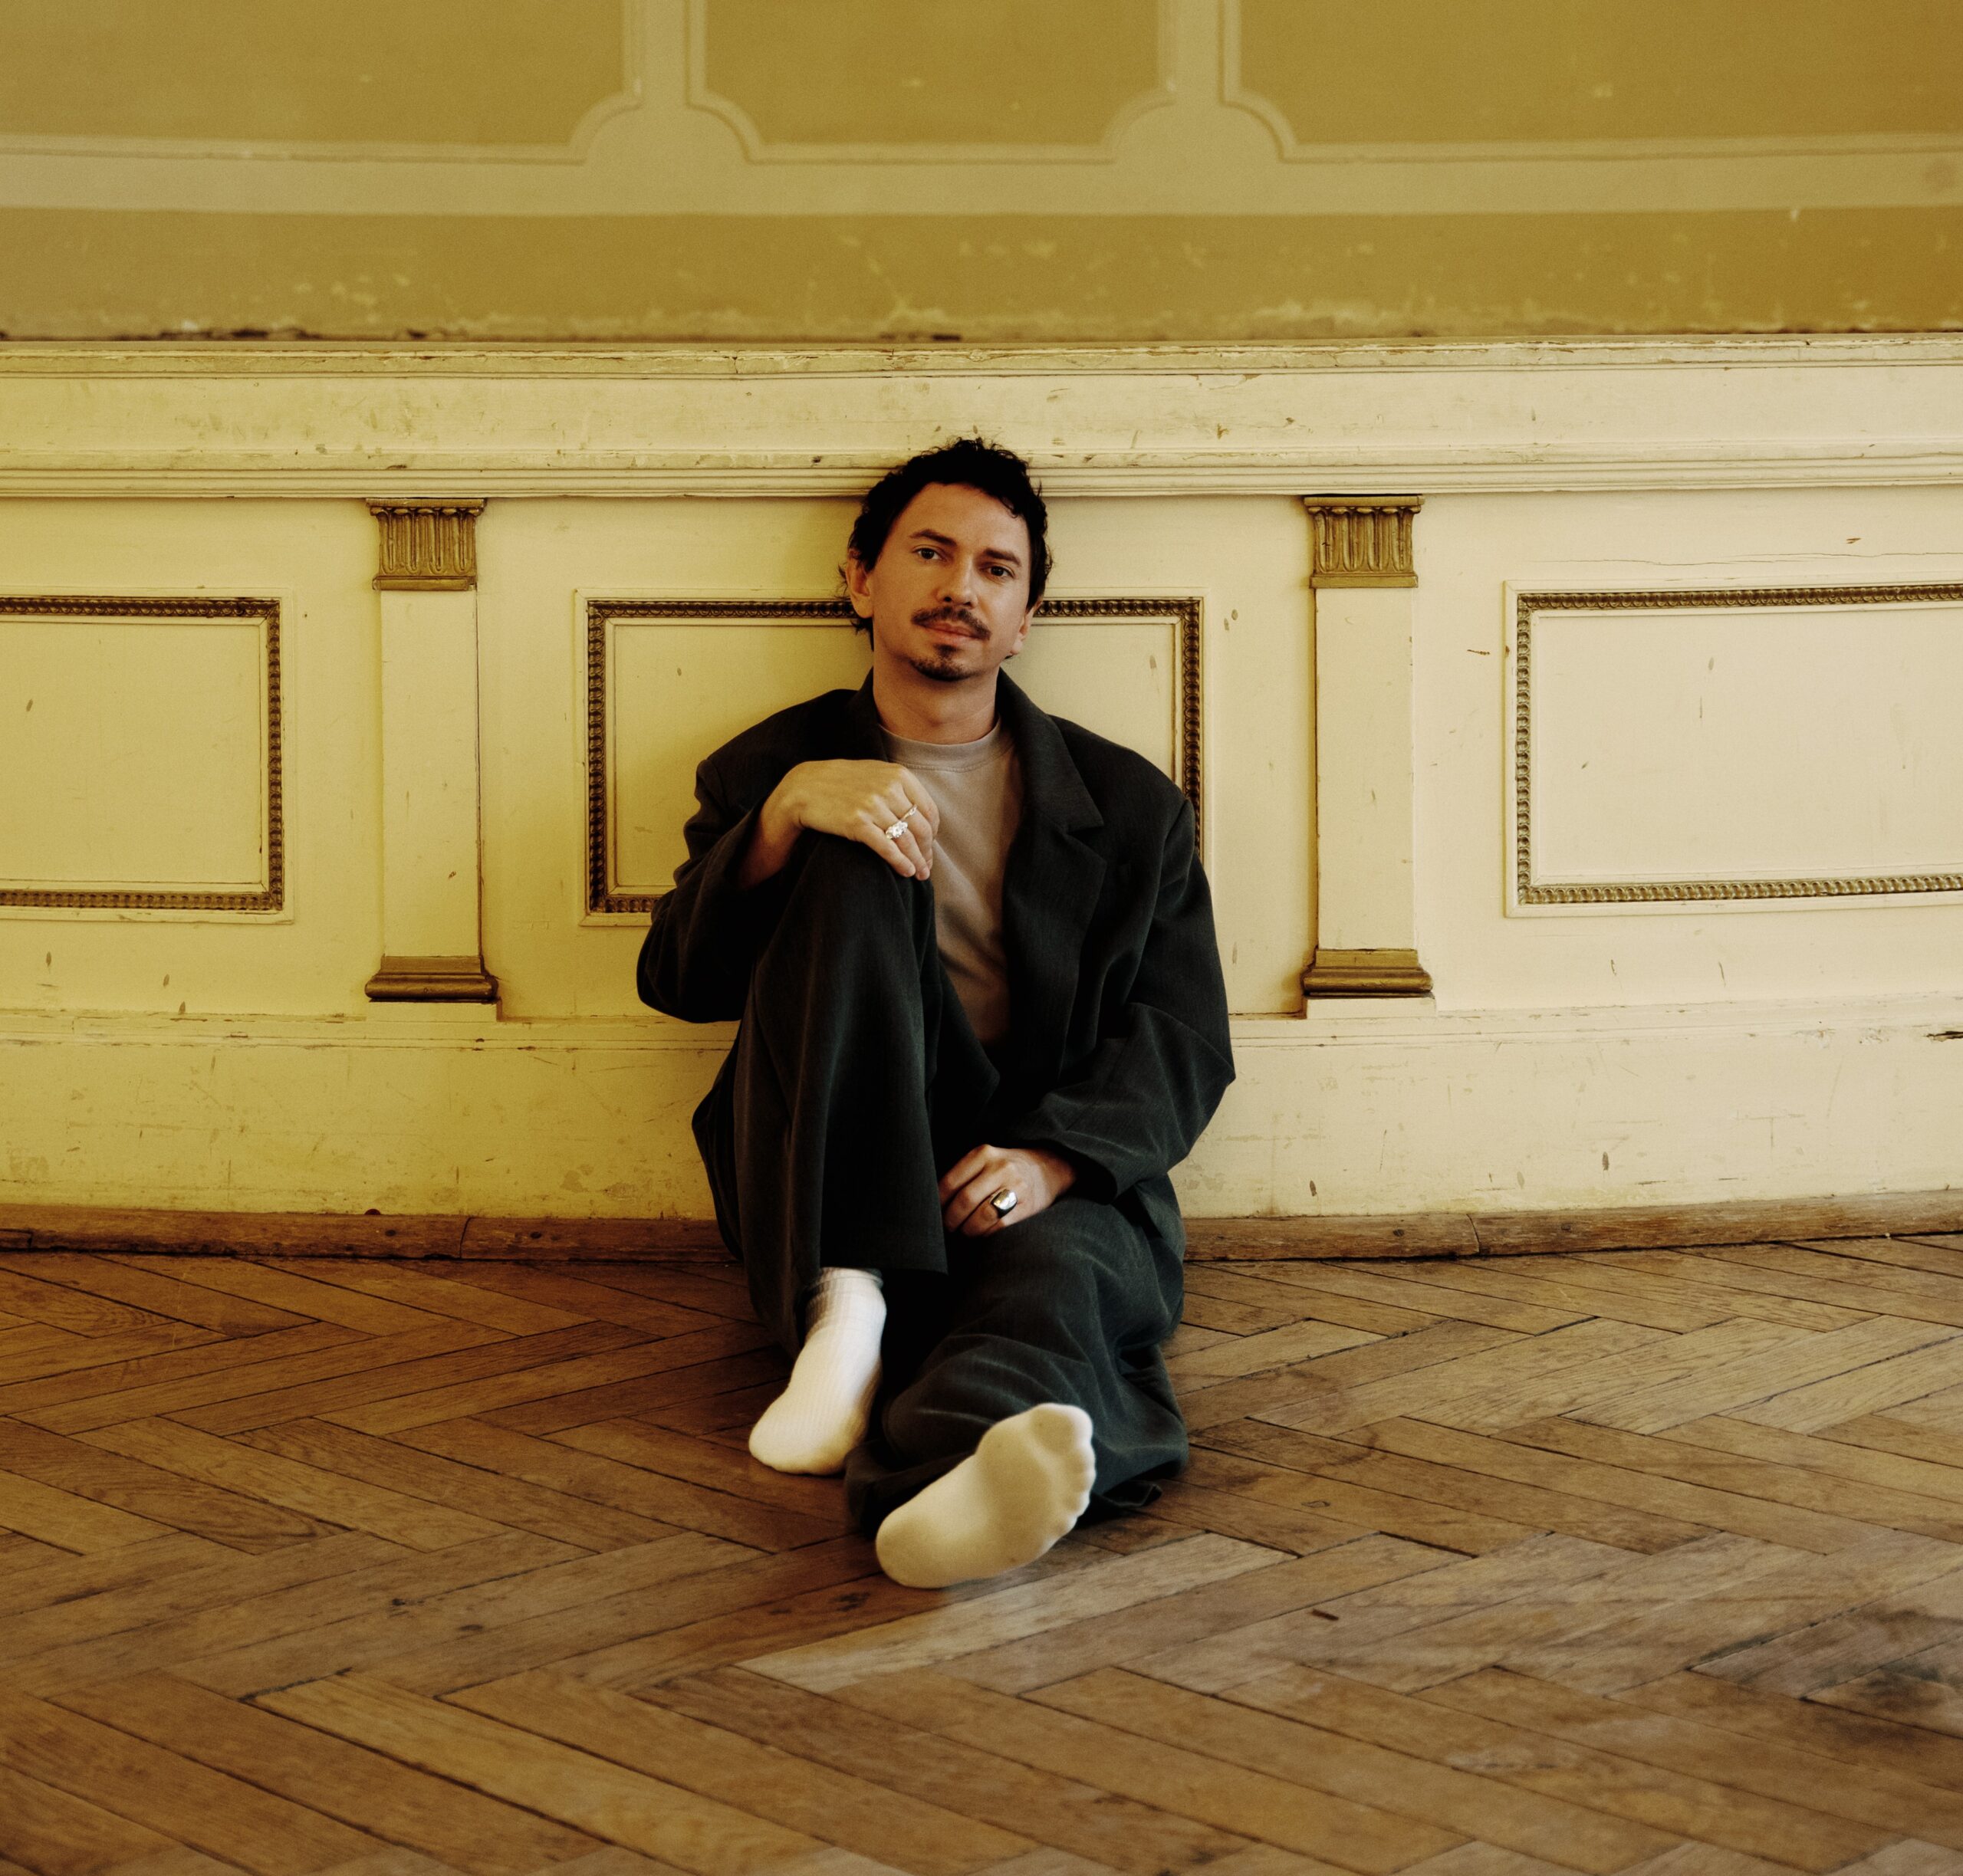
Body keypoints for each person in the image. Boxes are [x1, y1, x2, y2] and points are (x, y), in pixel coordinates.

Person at [636, 438, 1233, 1588]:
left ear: (1025, 620)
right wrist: (783, 817)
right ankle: (845, 1296)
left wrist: (1054, 1159)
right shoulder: (769, 766)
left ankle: (944, 1486)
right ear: (861, 579)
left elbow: (1182, 1034)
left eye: (998, 571)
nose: (963, 587)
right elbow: (679, 981)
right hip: (825, 1152)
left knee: (1054, 1286)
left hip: (1024, 1145)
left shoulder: (1129, 805)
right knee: (852, 839)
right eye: (931, 553)